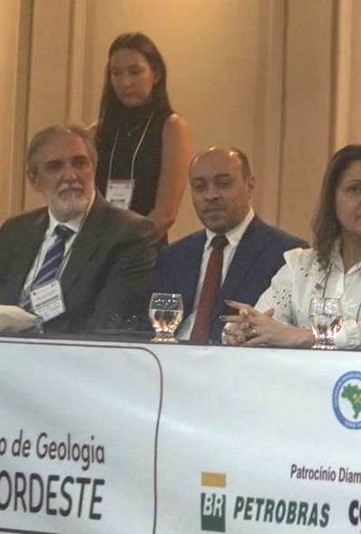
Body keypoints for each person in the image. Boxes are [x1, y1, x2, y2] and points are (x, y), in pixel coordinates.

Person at [223, 144, 361, 350]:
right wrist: (243, 330)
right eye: (355, 189)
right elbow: (266, 322)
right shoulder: (299, 265)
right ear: (332, 200)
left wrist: (310, 337)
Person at [0, 124, 159, 334]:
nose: (70, 176)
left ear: (94, 169)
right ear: (34, 180)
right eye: (54, 167)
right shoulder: (16, 230)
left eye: (80, 163)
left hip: (74, 354)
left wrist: (33, 328)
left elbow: (109, 325)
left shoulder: (131, 234)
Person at [150, 147, 307, 344]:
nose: (210, 195)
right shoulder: (173, 256)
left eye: (223, 184)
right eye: (199, 187)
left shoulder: (285, 255)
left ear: (250, 186)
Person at [94, 32, 190, 239]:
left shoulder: (171, 127)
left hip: (145, 245)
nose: (125, 82)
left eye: (135, 72)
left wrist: (126, 248)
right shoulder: (98, 131)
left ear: (155, 74)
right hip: (98, 243)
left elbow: (166, 213)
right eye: (116, 73)